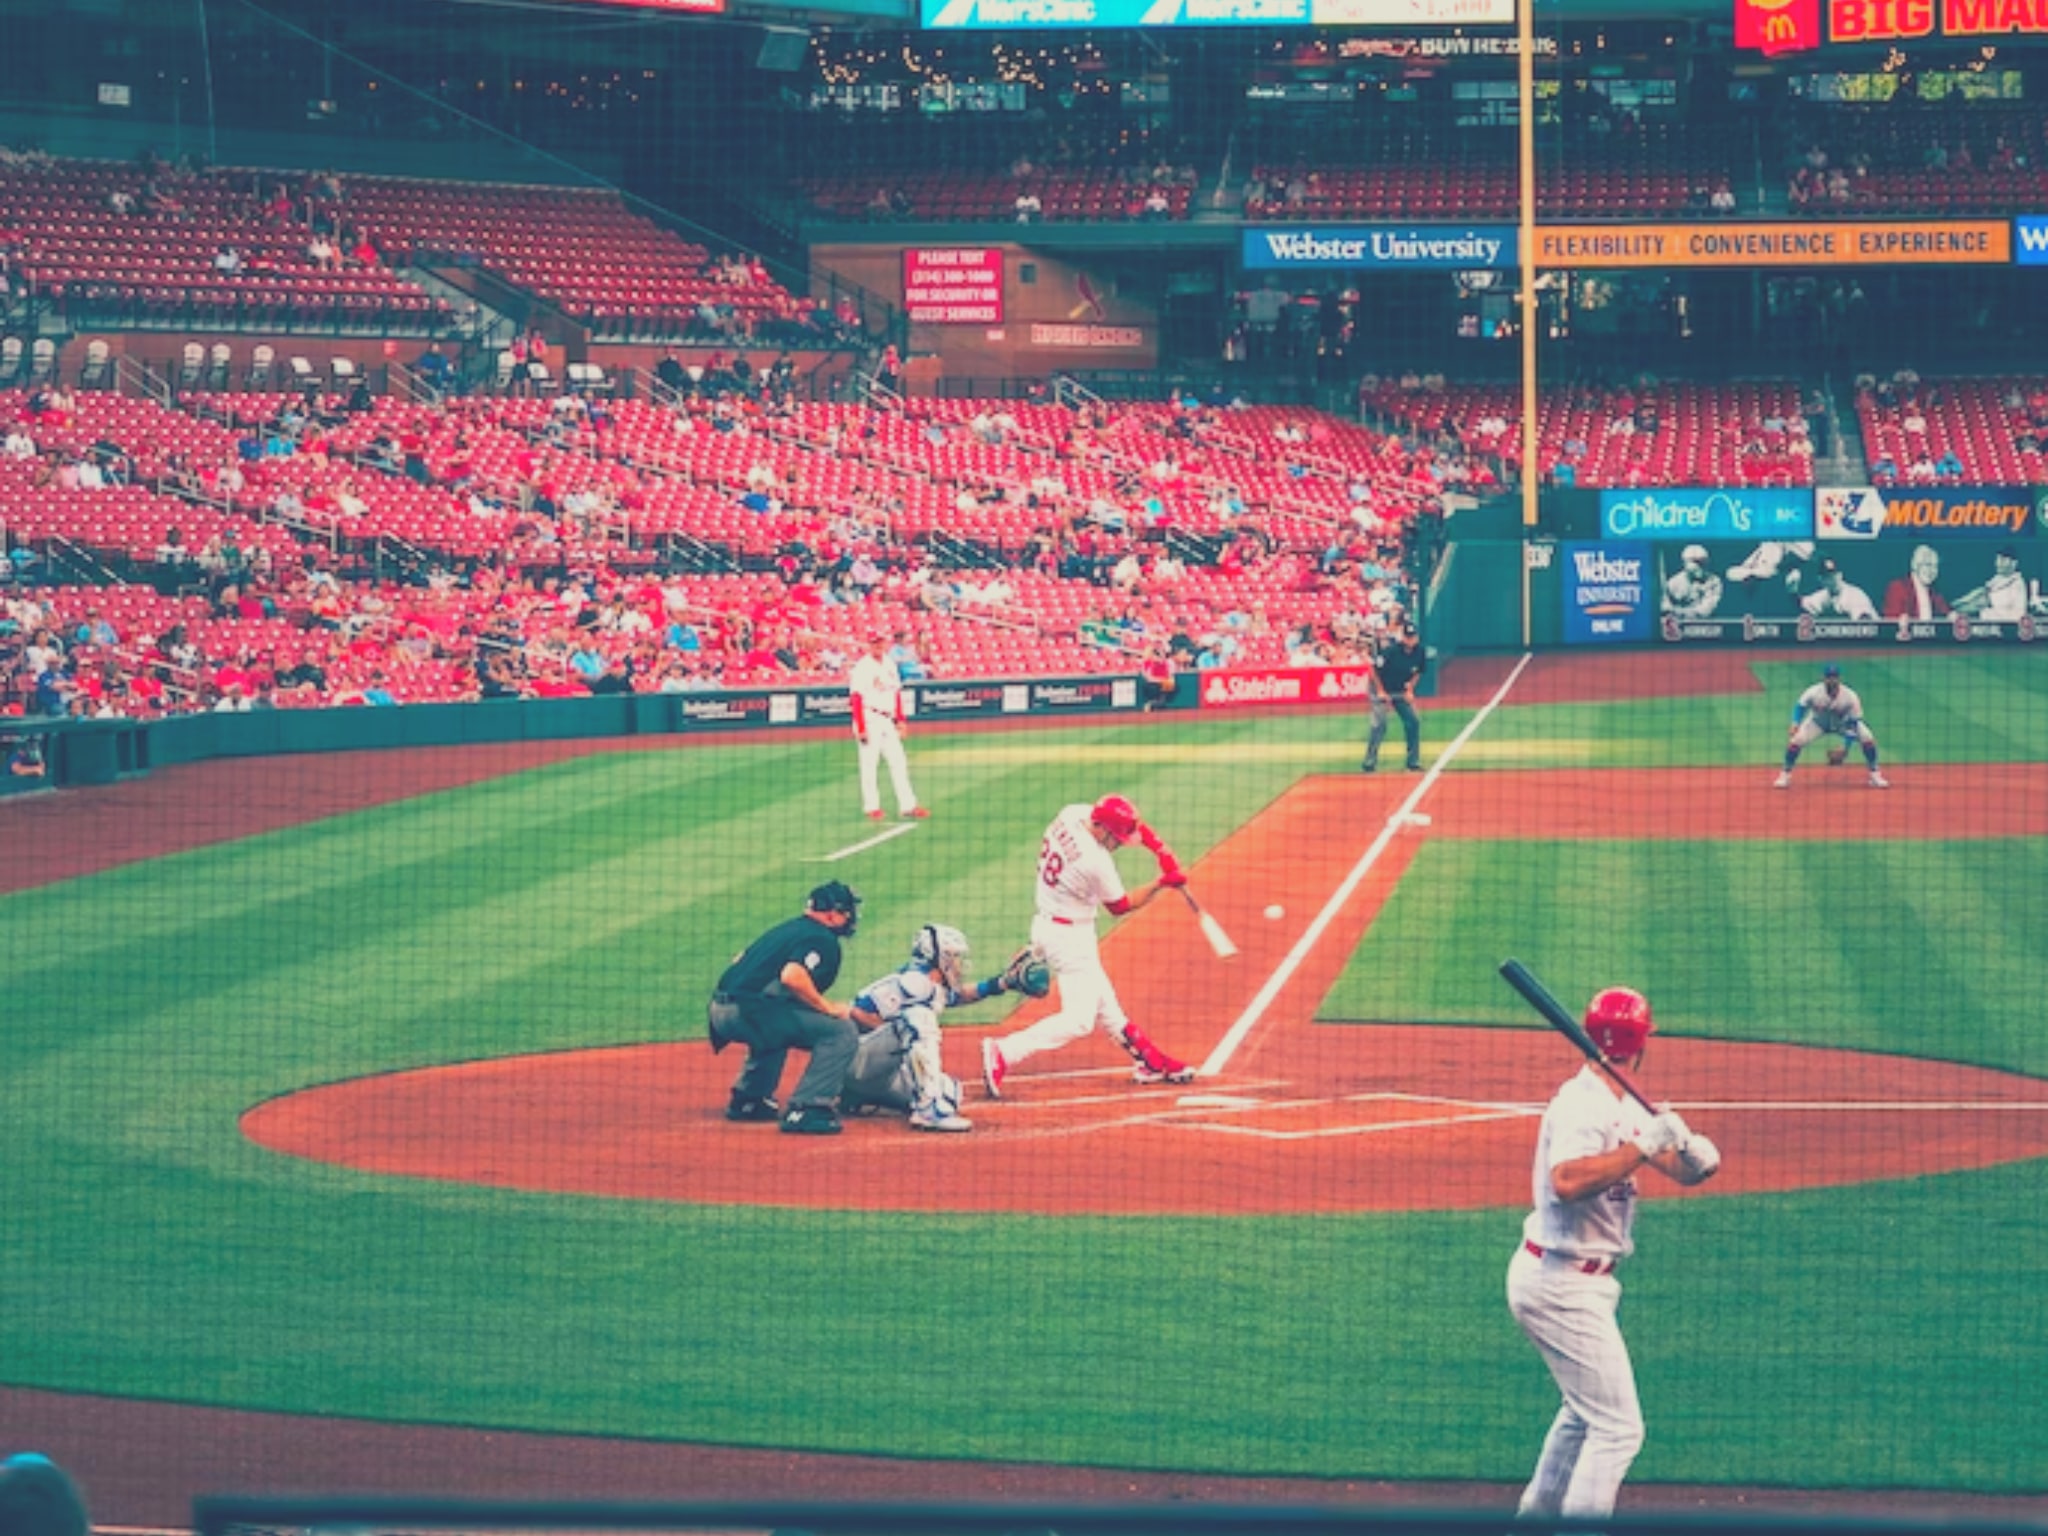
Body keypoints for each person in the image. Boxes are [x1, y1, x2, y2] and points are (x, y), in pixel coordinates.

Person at [1508, 987, 1721, 1521]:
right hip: (1561, 1284)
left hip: (1579, 1282)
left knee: (1584, 1416)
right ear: (1640, 1043)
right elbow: (1568, 1180)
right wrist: (1644, 1147)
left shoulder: (1618, 1102)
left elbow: (1671, 1166)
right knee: (1618, 1428)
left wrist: (1694, 1160)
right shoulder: (1583, 1105)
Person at [980, 794, 1196, 1099]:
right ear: (1101, 828)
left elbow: (1136, 826)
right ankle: (1003, 1052)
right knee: (1080, 1019)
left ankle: (1149, 1062)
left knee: (1106, 1005)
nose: (1119, 844)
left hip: (1046, 922)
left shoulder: (1072, 813)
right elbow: (1120, 906)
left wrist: (1161, 851)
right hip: (1069, 939)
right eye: (1116, 838)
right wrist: (1162, 883)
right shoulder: (1095, 862)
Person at [839, 924, 1040, 1133]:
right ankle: (929, 1112)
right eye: (954, 957)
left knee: (950, 1093)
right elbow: (856, 1013)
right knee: (919, 1020)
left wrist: (999, 984)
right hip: (857, 1062)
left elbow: (958, 996)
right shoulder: (913, 983)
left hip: (880, 1074)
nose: (959, 963)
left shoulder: (930, 984)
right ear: (940, 957)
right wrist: (897, 1032)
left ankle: (861, 1096)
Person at [706, 882, 865, 1135]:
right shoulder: (821, 938)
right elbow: (793, 975)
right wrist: (827, 1007)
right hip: (746, 1013)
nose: (850, 918)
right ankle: (809, 1107)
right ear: (831, 914)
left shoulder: (788, 929)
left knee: (778, 1021)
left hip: (720, 1011)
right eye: (846, 912)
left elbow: (739, 960)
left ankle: (749, 1099)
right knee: (840, 1031)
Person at [848, 632, 925, 821]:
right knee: (869, 764)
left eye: (880, 642)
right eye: (874, 643)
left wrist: (901, 719)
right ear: (869, 644)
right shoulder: (862, 667)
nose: (878, 646)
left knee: (899, 761)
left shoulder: (889, 663)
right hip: (869, 716)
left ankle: (908, 805)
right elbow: (856, 698)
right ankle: (871, 807)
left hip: (887, 720)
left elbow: (895, 693)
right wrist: (861, 726)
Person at [1777, 663, 1886, 788]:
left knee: (1867, 738)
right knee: (1796, 741)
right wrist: (1795, 723)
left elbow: (1854, 723)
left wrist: (1845, 747)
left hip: (1843, 725)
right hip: (1817, 724)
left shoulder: (1850, 696)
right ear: (1824, 678)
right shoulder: (1813, 692)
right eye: (1829, 677)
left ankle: (1875, 774)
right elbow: (1800, 706)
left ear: (1839, 678)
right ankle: (1785, 775)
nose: (1832, 680)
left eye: (1834, 677)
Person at [1362, 619, 1425, 772]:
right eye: (1408, 637)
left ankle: (1413, 761)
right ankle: (1369, 761)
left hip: (1400, 689)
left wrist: (1410, 689)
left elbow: (1418, 671)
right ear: (1402, 637)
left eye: (1413, 637)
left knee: (1413, 721)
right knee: (1380, 724)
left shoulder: (1420, 652)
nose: (1411, 640)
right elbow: (1374, 670)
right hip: (1380, 686)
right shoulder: (1391, 651)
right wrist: (1381, 691)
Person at [1954, 546, 2031, 622]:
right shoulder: (1993, 582)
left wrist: (1984, 613)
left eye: (2002, 560)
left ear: (2014, 563)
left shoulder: (2018, 585)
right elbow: (1972, 601)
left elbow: (2018, 616)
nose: (1998, 563)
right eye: (1997, 559)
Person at [1881, 543, 1951, 621]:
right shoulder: (1897, 587)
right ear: (1915, 565)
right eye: (1928, 565)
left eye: (1935, 566)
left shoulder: (1935, 592)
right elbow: (1891, 622)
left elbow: (1947, 612)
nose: (1932, 571)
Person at [1799, 558, 1877, 621]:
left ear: (1840, 575)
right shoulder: (1823, 596)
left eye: (1834, 575)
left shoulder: (1856, 595)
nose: (1833, 579)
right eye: (1828, 577)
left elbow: (1865, 625)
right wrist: (1792, 591)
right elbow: (1804, 604)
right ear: (1821, 580)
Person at [1661, 543, 1723, 619]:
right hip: (1678, 626)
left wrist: (1676, 611)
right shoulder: (1673, 582)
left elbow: (1705, 611)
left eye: (1702, 563)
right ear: (1684, 563)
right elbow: (1665, 608)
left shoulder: (1714, 581)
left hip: (1707, 626)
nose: (1700, 566)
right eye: (1695, 562)